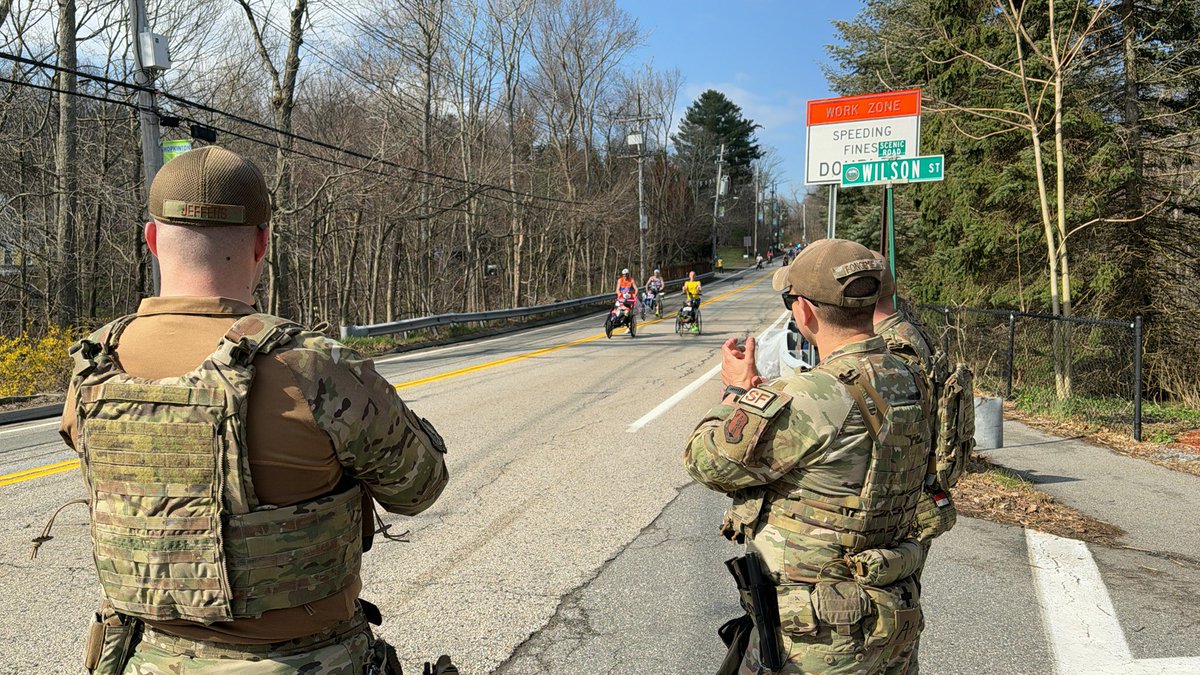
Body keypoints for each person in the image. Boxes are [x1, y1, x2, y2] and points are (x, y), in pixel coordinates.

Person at [53, 147, 451, 675]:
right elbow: (418, 490)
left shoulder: (94, 365)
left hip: (143, 660)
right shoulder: (317, 369)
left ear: (151, 241)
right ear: (262, 242)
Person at [683, 239, 934, 675]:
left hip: (817, 640)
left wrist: (737, 394)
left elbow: (707, 460)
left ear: (803, 312)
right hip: (891, 617)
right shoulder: (912, 374)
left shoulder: (809, 396)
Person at [871, 253, 968, 675]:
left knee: (887, 620)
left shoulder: (893, 348)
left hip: (905, 500)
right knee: (898, 614)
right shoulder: (910, 330)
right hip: (920, 494)